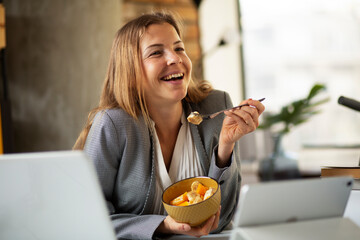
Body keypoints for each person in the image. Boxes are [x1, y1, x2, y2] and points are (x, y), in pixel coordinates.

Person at [74, 11, 265, 239]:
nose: (175, 59)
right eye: (156, 52)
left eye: (179, 48)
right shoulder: (114, 125)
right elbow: (87, 218)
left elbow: (222, 219)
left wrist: (225, 148)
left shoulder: (216, 106)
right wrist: (163, 225)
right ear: (131, 70)